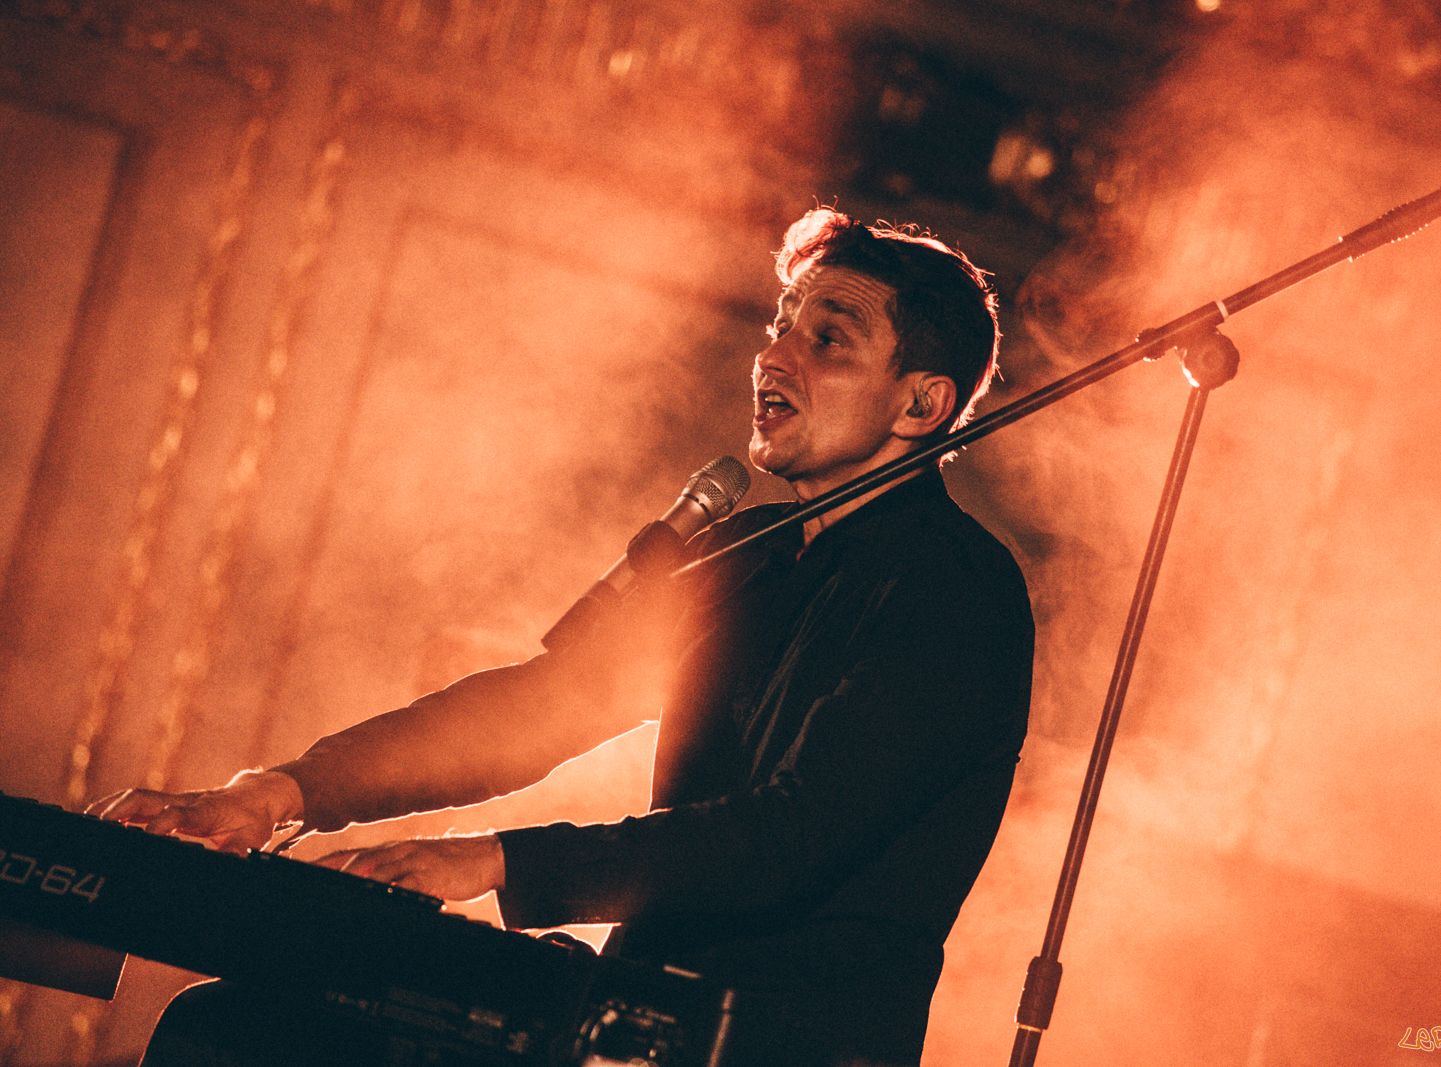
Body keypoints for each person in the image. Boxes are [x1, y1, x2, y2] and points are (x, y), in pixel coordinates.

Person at [93, 207, 1035, 1067]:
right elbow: (547, 705)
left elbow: (788, 837)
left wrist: (492, 860)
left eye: (828, 337)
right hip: (629, 1020)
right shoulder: (750, 551)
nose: (776, 355)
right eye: (781, 323)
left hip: (786, 1045)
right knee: (235, 1033)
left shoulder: (957, 590)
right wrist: (281, 791)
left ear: (920, 404)